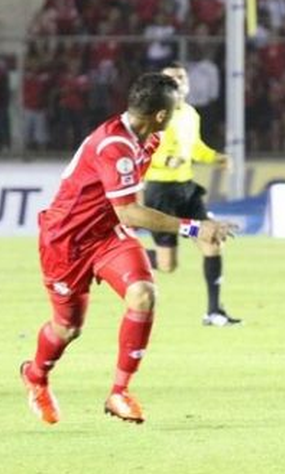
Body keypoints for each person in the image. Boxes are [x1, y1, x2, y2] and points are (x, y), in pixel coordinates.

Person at [20, 73, 234, 425]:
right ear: (162, 115)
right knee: (68, 327)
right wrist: (194, 227)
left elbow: (123, 211)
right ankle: (36, 376)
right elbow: (130, 211)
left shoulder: (147, 137)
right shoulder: (114, 146)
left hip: (106, 235)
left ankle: (119, 393)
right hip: (66, 241)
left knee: (144, 294)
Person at [142, 62, 241, 327]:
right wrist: (165, 163)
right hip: (160, 192)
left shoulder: (190, 113)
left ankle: (214, 312)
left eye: (181, 76)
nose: (178, 80)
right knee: (167, 265)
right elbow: (139, 152)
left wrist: (216, 158)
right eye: (171, 78)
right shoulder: (153, 114)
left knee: (212, 241)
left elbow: (194, 147)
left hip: (186, 190)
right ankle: (124, 253)